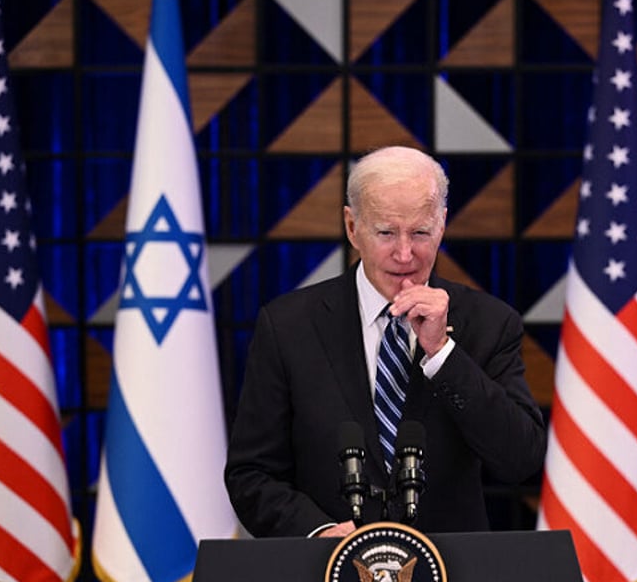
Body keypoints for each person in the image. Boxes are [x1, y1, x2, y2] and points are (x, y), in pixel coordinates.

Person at [225, 146, 546, 538]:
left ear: (442, 224)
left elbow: (520, 459)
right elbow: (251, 474)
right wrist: (319, 534)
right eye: (386, 233)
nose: (405, 253)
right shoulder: (288, 326)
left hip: (449, 574)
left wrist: (442, 354)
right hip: (327, 575)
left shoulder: (490, 323)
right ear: (351, 227)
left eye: (421, 232)